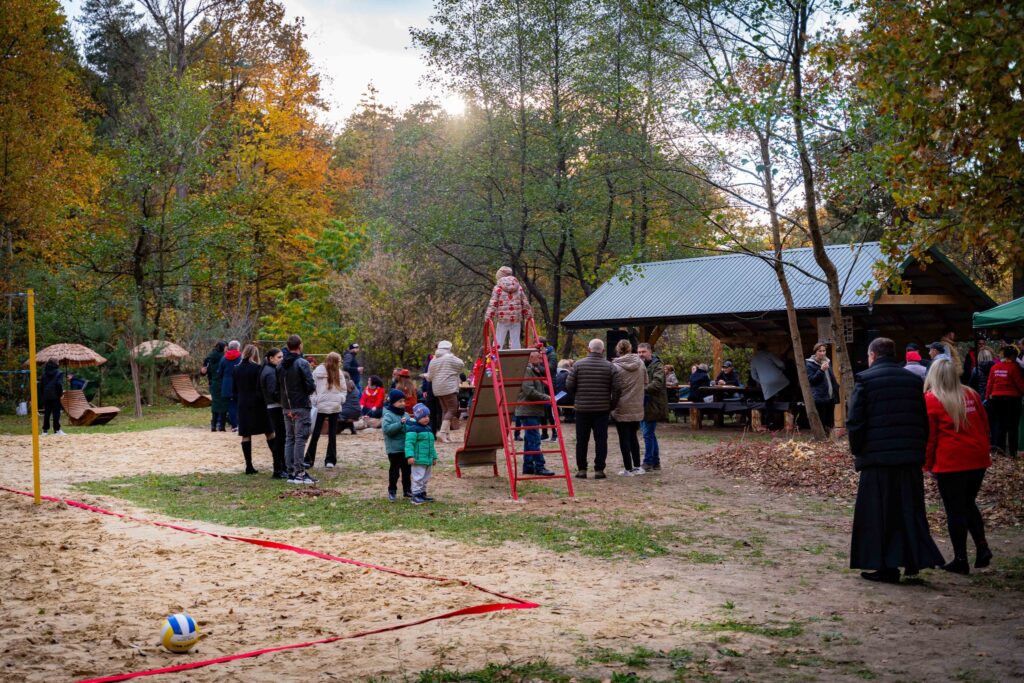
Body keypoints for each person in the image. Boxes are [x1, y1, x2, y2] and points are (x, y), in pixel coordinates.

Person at [847, 337, 944, 583]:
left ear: (872, 355)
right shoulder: (913, 381)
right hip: (908, 457)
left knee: (879, 513)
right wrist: (918, 449)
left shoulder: (865, 380)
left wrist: (858, 451)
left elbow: (855, 421)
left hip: (878, 458)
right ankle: (912, 559)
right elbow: (922, 419)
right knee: (908, 510)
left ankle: (884, 565)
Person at [924, 358, 993, 574]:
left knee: (955, 510)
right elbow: (985, 425)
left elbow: (930, 438)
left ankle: (961, 558)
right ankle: (982, 546)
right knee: (968, 503)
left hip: (951, 461)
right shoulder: (971, 394)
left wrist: (926, 465)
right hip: (977, 458)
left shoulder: (932, 399)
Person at [566, 338, 622, 479]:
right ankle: (599, 469)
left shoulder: (578, 365)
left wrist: (577, 398)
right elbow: (617, 388)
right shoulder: (610, 366)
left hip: (582, 409)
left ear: (588, 349)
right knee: (601, 440)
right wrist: (611, 404)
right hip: (602, 409)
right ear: (603, 350)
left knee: (581, 440)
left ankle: (582, 469)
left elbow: (569, 385)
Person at [278, 335, 316, 485]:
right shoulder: (302, 363)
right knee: (300, 438)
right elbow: (310, 385)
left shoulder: (280, 365)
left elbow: (278, 386)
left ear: (288, 347)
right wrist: (306, 392)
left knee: (290, 438)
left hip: (286, 406)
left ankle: (291, 472)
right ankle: (299, 473)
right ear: (300, 345)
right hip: (300, 405)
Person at [234, 344, 273, 475]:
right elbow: (262, 386)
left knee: (246, 434)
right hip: (258, 402)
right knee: (269, 431)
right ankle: (277, 460)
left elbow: (234, 389)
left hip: (243, 403)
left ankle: (249, 465)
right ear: (255, 354)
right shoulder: (258, 368)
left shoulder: (236, 369)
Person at [516, 350, 555, 476]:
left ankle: (528, 466)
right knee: (534, 439)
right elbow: (529, 391)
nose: (541, 359)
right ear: (530, 358)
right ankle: (539, 466)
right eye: (538, 357)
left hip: (531, 409)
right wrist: (547, 397)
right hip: (528, 409)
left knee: (530, 439)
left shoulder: (533, 370)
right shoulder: (527, 370)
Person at [305, 351, 346, 469]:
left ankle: (330, 459)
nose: (340, 363)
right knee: (315, 434)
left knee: (332, 434)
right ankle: (309, 460)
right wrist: (314, 400)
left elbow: (343, 389)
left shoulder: (339, 373)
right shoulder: (318, 371)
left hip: (335, 406)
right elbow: (312, 387)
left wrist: (340, 399)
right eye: (338, 361)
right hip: (320, 406)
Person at [611, 339, 645, 476]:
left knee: (623, 438)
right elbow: (646, 381)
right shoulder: (641, 363)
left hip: (621, 406)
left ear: (618, 350)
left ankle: (628, 468)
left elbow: (613, 387)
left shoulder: (615, 366)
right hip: (637, 405)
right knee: (633, 436)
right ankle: (637, 466)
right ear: (631, 348)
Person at [985, 345, 1024, 457]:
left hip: (996, 400)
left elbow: (989, 384)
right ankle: (1012, 453)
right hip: (1012, 400)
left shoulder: (995, 367)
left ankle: (1000, 453)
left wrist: (987, 398)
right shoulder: (1014, 367)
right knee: (1013, 427)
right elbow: (1020, 384)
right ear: (1013, 356)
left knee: (1001, 426)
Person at [425, 340, 465, 442]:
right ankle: (442, 432)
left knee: (445, 410)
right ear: (448, 348)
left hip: (437, 389)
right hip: (449, 387)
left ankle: (446, 435)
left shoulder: (433, 360)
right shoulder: (449, 357)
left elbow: (429, 377)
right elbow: (461, 364)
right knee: (453, 409)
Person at [485, 266, 533, 349]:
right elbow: (525, 302)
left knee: (499, 337)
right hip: (516, 318)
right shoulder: (518, 287)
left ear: (499, 276)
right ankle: (516, 354)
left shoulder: (498, 288)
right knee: (515, 339)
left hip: (503, 318)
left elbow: (493, 303)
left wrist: (488, 316)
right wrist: (528, 314)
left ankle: (496, 352)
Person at [260, 348, 288, 479]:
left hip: (274, 406)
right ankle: (278, 469)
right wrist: (284, 401)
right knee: (280, 438)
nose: (281, 359)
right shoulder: (270, 372)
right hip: (275, 407)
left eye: (282, 357)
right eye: (279, 357)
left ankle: (282, 467)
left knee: (281, 438)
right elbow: (273, 392)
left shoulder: (270, 370)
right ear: (271, 358)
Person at [639, 343, 667, 472]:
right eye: (639, 352)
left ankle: (648, 462)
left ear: (650, 352)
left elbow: (657, 383)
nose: (641, 354)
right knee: (649, 434)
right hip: (642, 404)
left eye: (643, 352)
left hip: (653, 404)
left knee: (647, 434)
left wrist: (640, 389)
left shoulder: (657, 365)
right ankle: (656, 462)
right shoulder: (640, 365)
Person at [382, 388, 412, 501]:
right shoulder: (388, 415)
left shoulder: (406, 414)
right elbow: (387, 430)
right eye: (400, 401)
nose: (403, 403)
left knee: (407, 471)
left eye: (403, 401)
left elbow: (410, 428)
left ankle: (407, 490)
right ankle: (392, 491)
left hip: (406, 448)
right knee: (394, 472)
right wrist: (400, 424)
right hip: (394, 450)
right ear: (393, 402)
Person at [406, 403, 439, 504]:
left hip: (427, 459)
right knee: (418, 477)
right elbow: (409, 443)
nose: (426, 418)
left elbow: (431, 445)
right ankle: (415, 495)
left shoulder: (428, 429)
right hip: (418, 459)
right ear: (417, 417)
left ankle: (422, 493)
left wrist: (434, 457)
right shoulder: (413, 429)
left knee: (425, 478)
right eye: (424, 416)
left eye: (428, 416)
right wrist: (410, 456)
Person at [806, 342, 840, 432]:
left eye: (824, 351)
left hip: (831, 396)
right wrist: (821, 370)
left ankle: (830, 438)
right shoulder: (810, 364)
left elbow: (831, 378)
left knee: (830, 421)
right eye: (820, 351)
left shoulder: (827, 361)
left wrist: (836, 386)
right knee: (821, 421)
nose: (822, 353)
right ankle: (821, 438)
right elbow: (812, 380)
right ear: (815, 352)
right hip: (820, 397)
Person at [202, 341, 227, 431]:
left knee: (215, 403)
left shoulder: (209, 357)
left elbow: (203, 372)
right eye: (226, 347)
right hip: (223, 382)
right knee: (224, 403)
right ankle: (222, 425)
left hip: (212, 382)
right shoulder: (225, 358)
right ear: (223, 347)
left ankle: (213, 425)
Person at [218, 340, 242, 431]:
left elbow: (219, 373)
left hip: (227, 385)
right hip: (239, 384)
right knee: (240, 404)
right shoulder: (241, 357)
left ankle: (234, 426)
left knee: (231, 405)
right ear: (238, 348)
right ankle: (241, 424)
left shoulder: (224, 358)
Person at [38, 359, 64, 436]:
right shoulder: (59, 373)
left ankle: (45, 431)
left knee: (47, 413)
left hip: (46, 395)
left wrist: (43, 395)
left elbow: (41, 385)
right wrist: (61, 394)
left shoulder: (44, 373)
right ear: (56, 363)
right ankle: (57, 430)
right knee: (56, 413)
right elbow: (59, 384)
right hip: (56, 396)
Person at [554, 359, 575, 424]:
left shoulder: (557, 375)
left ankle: (567, 416)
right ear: (568, 367)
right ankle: (570, 417)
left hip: (558, 399)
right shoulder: (569, 375)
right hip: (568, 400)